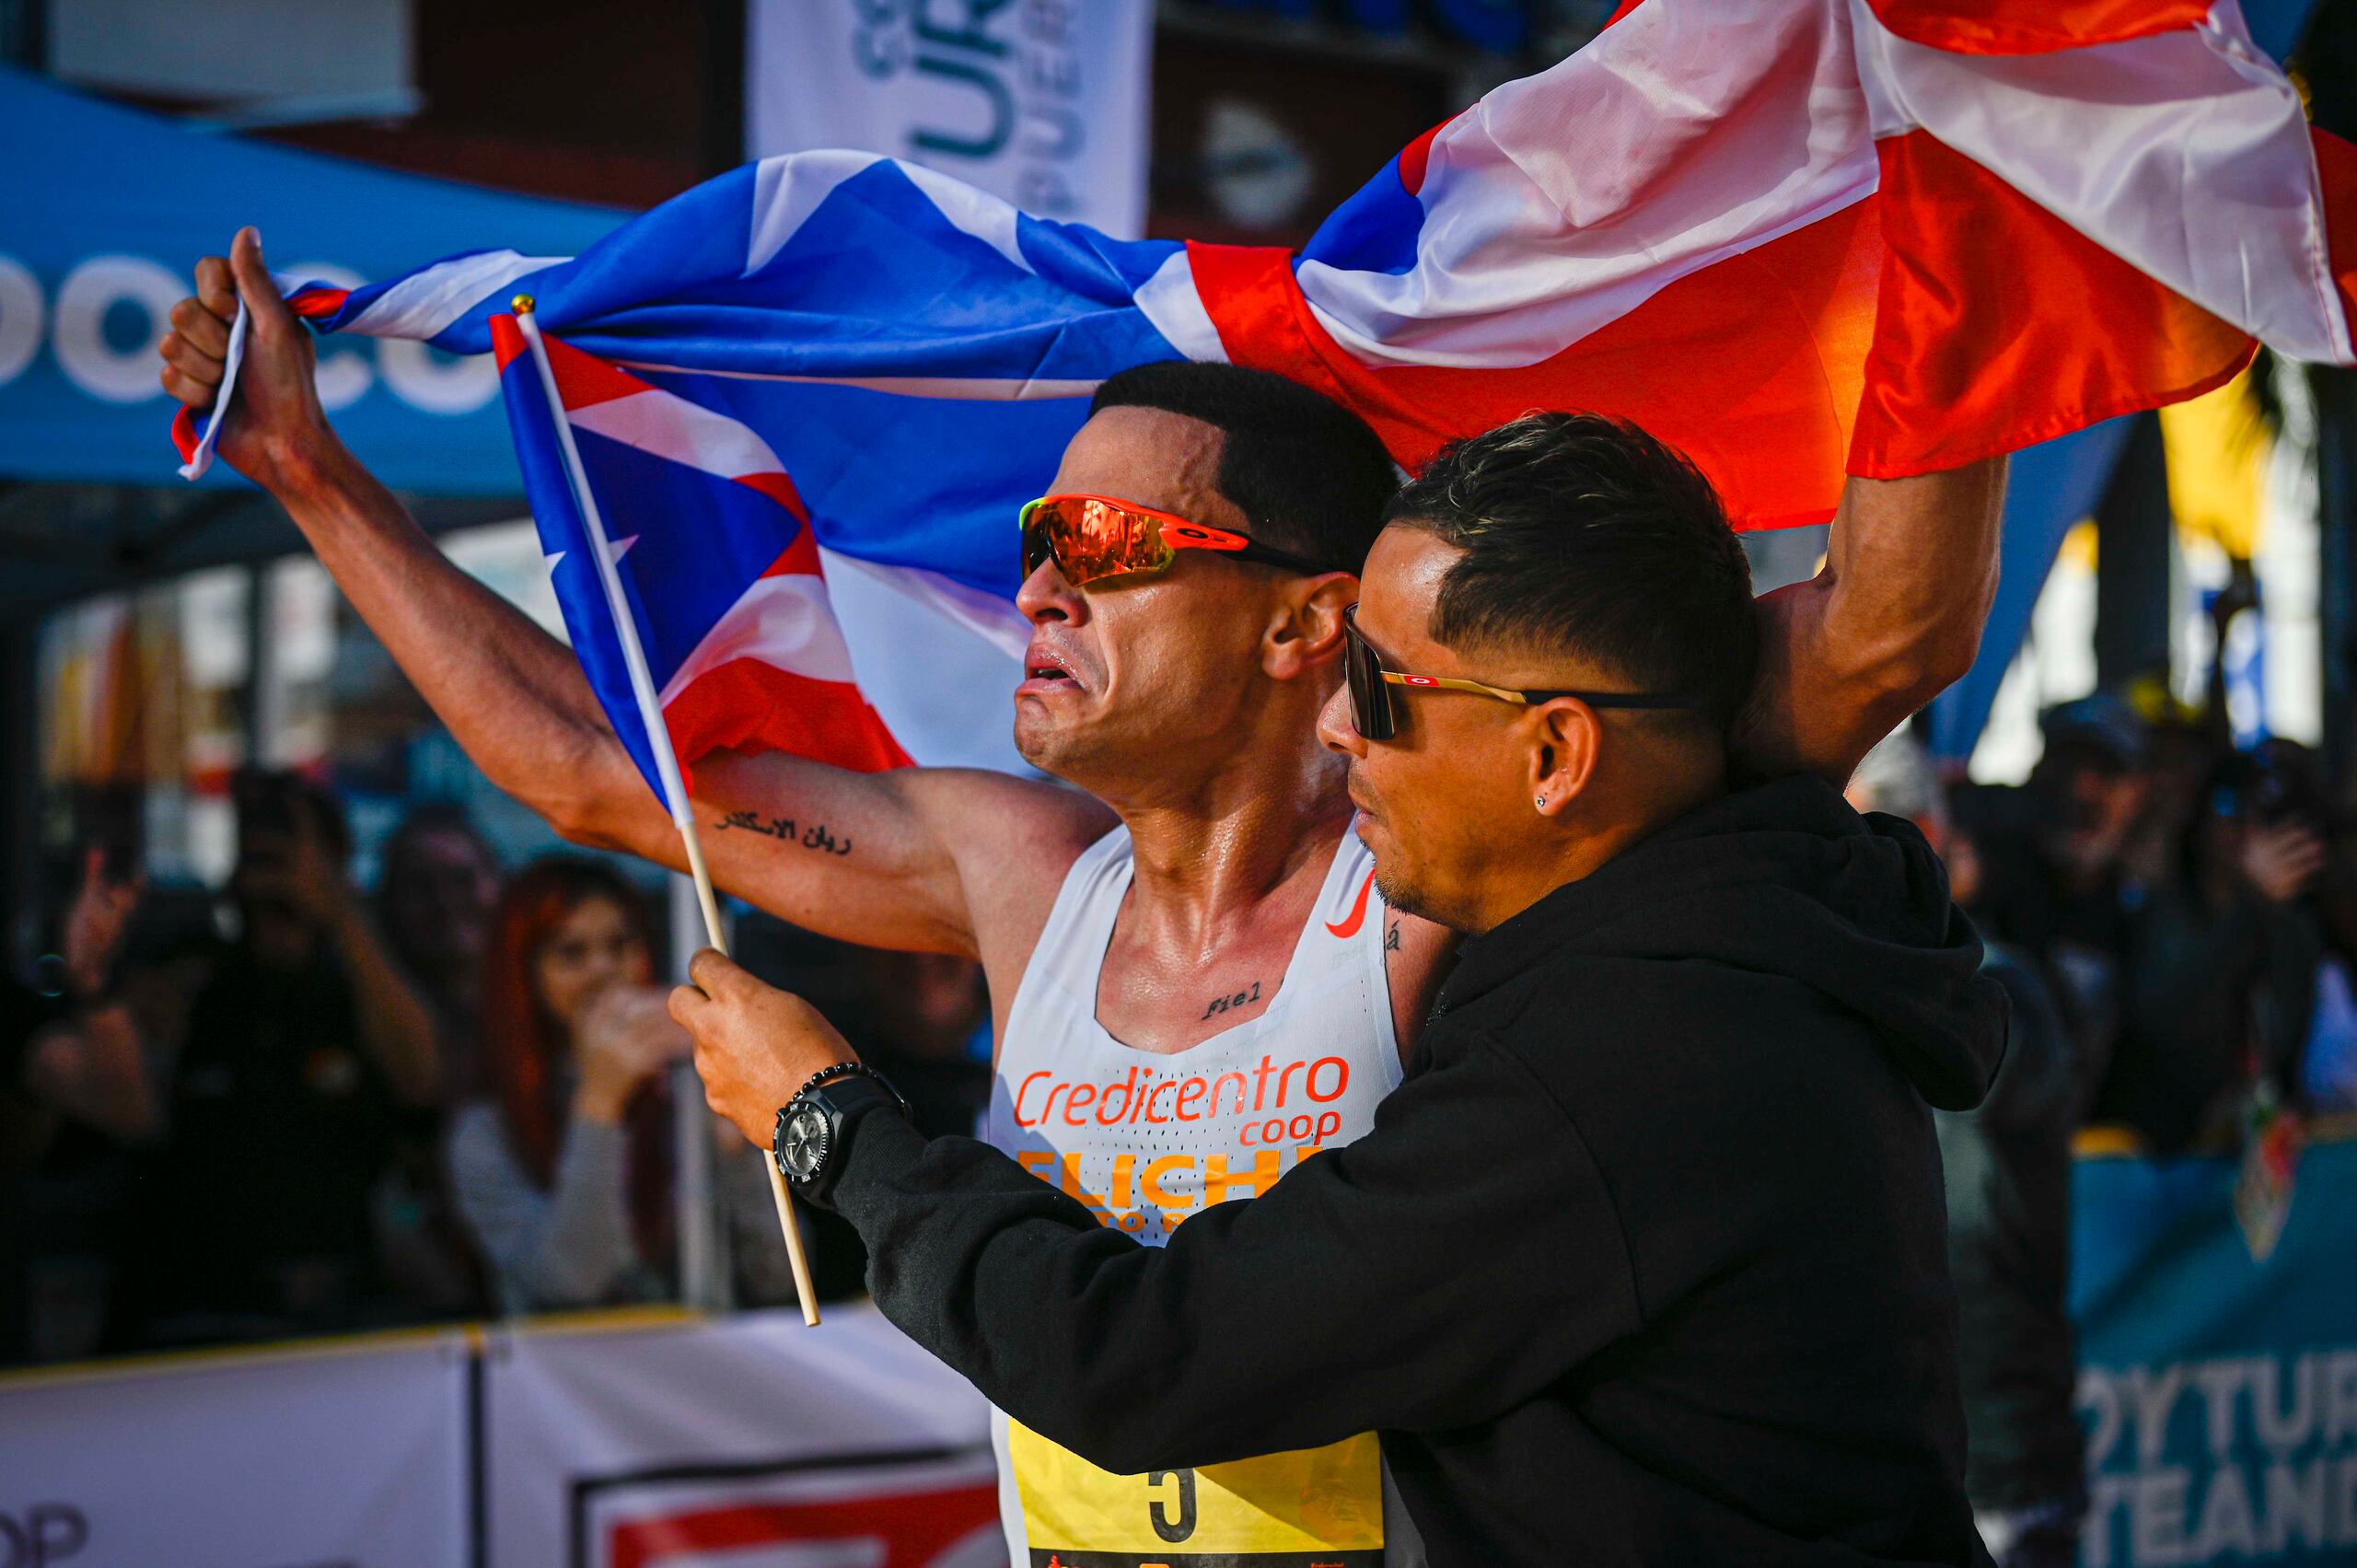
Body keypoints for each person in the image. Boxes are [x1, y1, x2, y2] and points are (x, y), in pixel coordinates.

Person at [163, 231, 1999, 1564]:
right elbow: (588, 760)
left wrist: (1970, 178)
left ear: (1309, 625)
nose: (1039, 584)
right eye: (1033, 538)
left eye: (1106, 549)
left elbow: (1857, 636)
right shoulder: (1020, 872)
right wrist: (306, 472)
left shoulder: (1446, 858)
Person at [675, 413, 2009, 1567]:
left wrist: (829, 1121)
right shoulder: (1695, 917)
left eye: (1380, 683)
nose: (1334, 724)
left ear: (1555, 753)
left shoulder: (1631, 1058)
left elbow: (1143, 1358)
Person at [1851, 733, 2084, 1568]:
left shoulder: (2001, 994)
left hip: (1993, 1456)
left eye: (1862, 840)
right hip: (1879, 1459)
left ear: (1929, 837)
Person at [142, 771, 442, 1342]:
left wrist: (335, 911)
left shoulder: (365, 983)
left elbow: (422, 1081)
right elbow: (138, 1115)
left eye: (294, 856)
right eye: (256, 854)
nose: (275, 876)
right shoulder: (195, 978)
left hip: (338, 1312)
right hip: (199, 1312)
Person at [447, 858, 693, 1310]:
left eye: (620, 945)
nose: (603, 970)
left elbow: (774, 1274)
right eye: (571, 953)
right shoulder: (484, 1131)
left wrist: (735, 1149)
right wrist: (600, 1101)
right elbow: (570, 1285)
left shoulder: (682, 1093)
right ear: (523, 975)